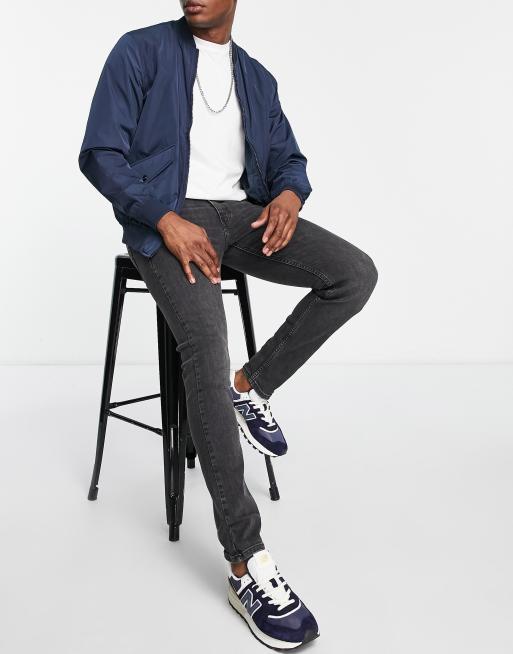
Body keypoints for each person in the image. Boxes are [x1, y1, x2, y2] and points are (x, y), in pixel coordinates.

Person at [78, 1, 378, 649]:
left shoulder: (256, 78)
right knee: (205, 352)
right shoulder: (140, 50)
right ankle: (245, 563)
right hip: (168, 217)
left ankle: (252, 384)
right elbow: (99, 153)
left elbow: (289, 159)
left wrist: (290, 194)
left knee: (353, 274)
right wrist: (161, 217)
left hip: (240, 217)